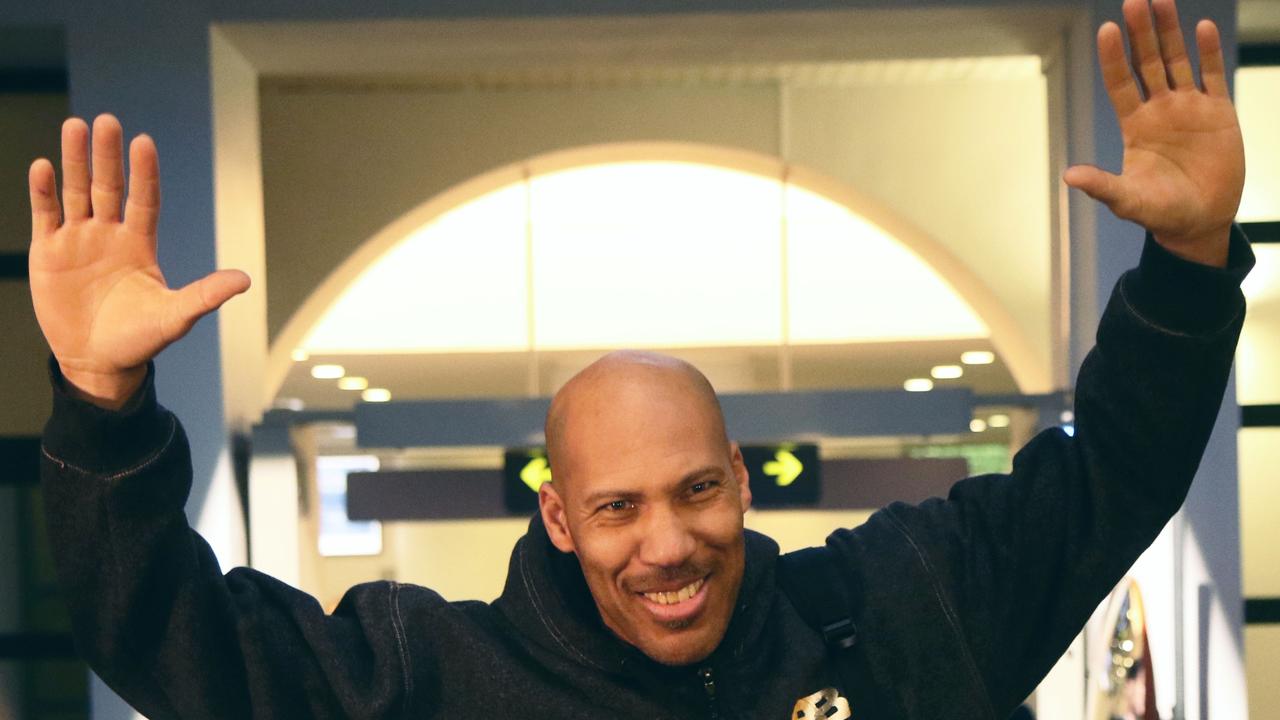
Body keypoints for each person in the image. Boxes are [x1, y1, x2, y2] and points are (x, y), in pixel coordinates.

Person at [29, 0, 1252, 717]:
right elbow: (167, 636)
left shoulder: (902, 612)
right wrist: (102, 404)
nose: (665, 544)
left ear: (739, 472)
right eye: (616, 508)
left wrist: (1188, 262)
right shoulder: (429, 676)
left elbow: (1111, 478)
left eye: (693, 490)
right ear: (557, 517)